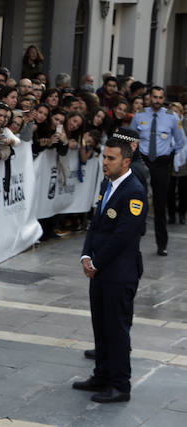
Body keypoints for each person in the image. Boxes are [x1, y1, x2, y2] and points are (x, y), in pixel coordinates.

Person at [74, 132, 147, 403]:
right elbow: (96, 223)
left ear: (125, 162)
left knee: (116, 330)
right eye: (104, 157)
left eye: (111, 158)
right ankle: (101, 375)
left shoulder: (134, 192)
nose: (105, 162)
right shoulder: (108, 184)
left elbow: (123, 236)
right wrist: (85, 255)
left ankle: (120, 385)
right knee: (101, 326)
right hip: (101, 270)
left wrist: (96, 261)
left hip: (119, 272)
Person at [129, 87, 187, 256]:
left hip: (161, 163)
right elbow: (132, 136)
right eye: (154, 97)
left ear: (164, 99)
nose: (157, 100)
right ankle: (134, 238)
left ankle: (162, 244)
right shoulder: (140, 115)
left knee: (160, 204)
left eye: (160, 97)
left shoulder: (171, 117)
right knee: (137, 200)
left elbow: (181, 141)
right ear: (150, 98)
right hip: (143, 161)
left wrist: (170, 153)